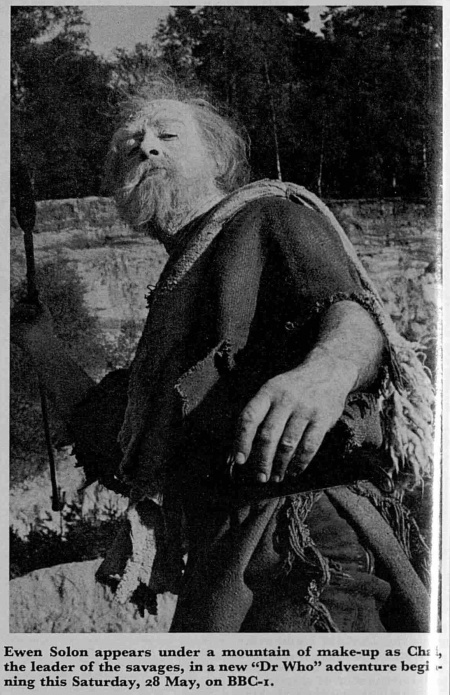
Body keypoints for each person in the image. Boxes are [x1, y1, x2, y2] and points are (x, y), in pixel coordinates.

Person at [11, 80, 433, 632]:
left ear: (217, 160)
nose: (146, 147)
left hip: (306, 539)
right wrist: (37, 341)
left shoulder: (268, 215)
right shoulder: (180, 293)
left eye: (167, 136)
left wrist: (328, 370)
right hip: (223, 561)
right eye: (129, 144)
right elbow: (118, 436)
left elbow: (350, 310)